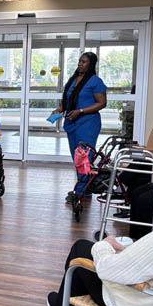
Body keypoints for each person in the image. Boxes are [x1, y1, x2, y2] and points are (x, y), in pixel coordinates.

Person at [51, 52, 107, 202]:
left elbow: (102, 103)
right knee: (76, 158)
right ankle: (86, 188)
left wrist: (81, 111)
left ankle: (80, 191)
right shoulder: (74, 80)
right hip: (72, 123)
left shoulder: (95, 81)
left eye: (84, 62)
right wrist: (59, 109)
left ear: (91, 65)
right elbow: (69, 100)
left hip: (88, 123)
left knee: (84, 157)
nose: (80, 64)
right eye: (79, 61)